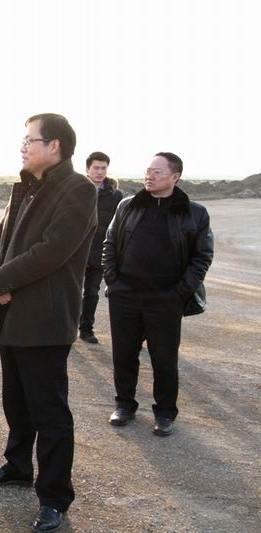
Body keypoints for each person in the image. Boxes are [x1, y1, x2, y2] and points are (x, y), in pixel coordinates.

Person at [0, 114, 97, 533]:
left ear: (55, 145)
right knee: (17, 402)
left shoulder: (78, 189)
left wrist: (2, 280)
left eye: (30, 140)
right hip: (11, 313)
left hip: (46, 318)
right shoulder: (26, 186)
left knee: (49, 412)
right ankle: (17, 466)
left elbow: (53, 250)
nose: (23, 147)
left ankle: (54, 497)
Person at [103, 152, 213, 437]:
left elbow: (202, 256)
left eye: (157, 172)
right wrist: (113, 280)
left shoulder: (194, 212)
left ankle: (164, 412)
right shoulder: (128, 205)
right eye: (148, 170)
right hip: (125, 295)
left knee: (164, 358)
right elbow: (110, 243)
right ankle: (124, 405)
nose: (149, 176)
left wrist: (179, 292)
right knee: (124, 355)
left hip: (165, 299)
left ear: (175, 177)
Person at [78, 152, 123, 344]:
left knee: (92, 292)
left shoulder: (115, 195)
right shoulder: (76, 190)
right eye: (96, 168)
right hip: (75, 252)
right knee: (70, 292)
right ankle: (65, 329)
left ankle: (86, 330)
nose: (100, 172)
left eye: (103, 168)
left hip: (99, 252)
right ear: (87, 169)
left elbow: (118, 226)